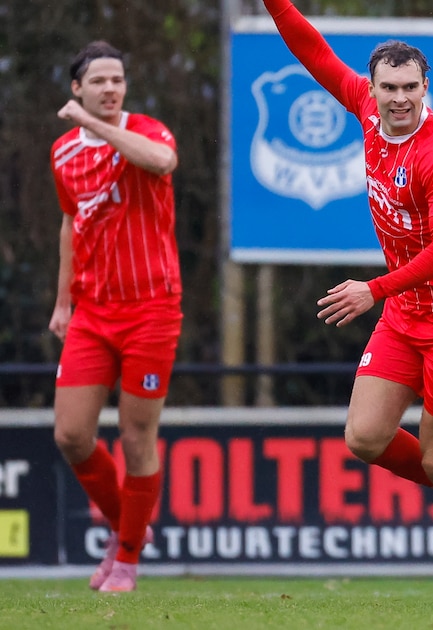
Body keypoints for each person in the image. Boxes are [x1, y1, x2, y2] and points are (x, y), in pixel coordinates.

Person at [260, 0, 433, 606]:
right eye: (387, 87)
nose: (397, 98)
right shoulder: (365, 110)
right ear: (371, 88)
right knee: (366, 438)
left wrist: (370, 289)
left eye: (409, 87)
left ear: (427, 88)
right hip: (407, 315)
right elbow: (311, 49)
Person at [49, 41, 181, 593]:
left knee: (135, 437)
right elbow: (70, 223)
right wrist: (62, 301)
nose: (110, 88)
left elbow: (161, 163)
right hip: (93, 311)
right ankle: (129, 526)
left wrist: (94, 125)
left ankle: (125, 556)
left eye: (118, 80)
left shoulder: (148, 132)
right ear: (77, 87)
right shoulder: (62, 153)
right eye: (99, 80)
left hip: (152, 308)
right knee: (72, 435)